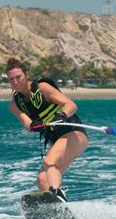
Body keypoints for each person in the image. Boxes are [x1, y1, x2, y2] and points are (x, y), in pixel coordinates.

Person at [7, 58, 88, 202]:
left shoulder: (42, 88)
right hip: (58, 141)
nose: (15, 82)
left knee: (51, 162)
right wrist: (34, 126)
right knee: (42, 179)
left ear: (26, 75)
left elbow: (71, 105)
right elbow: (27, 124)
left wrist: (62, 115)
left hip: (74, 134)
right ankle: (58, 210)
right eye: (11, 79)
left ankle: (57, 193)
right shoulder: (15, 104)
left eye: (18, 77)